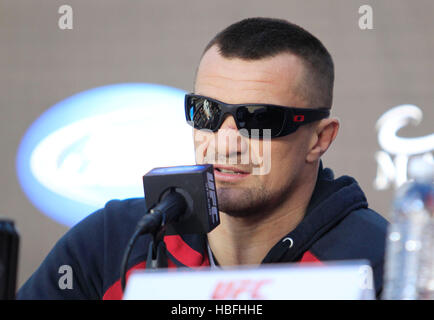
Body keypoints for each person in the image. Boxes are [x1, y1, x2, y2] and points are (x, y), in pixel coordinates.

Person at [17, 17, 388, 300]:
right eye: (206, 112)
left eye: (257, 119)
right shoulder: (114, 239)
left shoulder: (378, 263)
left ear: (320, 139)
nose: (225, 144)